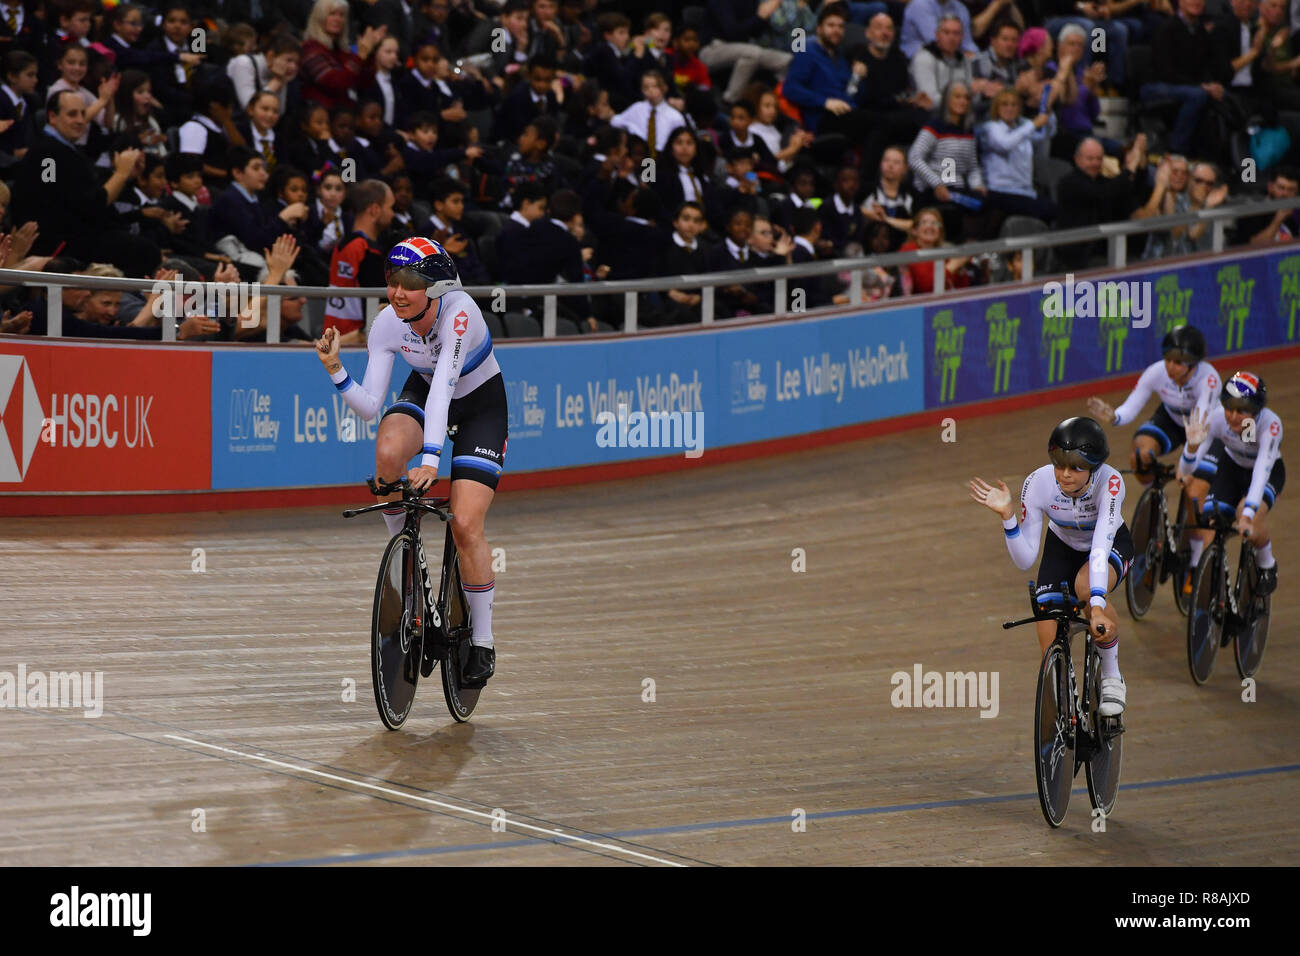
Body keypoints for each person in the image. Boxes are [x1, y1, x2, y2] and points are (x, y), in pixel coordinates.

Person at [315, 236, 506, 686]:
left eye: (410, 282)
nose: (397, 292)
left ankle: (483, 639)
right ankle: (404, 555)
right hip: (426, 394)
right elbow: (369, 405)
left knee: (464, 524)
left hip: (480, 406)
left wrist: (433, 458)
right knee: (386, 452)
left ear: (436, 286)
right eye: (392, 281)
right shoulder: (387, 323)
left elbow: (445, 386)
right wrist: (335, 370)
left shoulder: (460, 312)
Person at [969, 417, 1131, 716]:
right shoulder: (1038, 482)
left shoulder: (1110, 482)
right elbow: (1025, 559)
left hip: (1108, 545)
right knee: (1049, 638)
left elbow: (1098, 549)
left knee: (1085, 589)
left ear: (1093, 467)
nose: (1065, 474)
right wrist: (1008, 517)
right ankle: (1065, 713)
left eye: (1076, 467)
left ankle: (1111, 675)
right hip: (1062, 547)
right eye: (1059, 464)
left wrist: (1095, 606)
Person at [1086, 325, 1219, 585]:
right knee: (1140, 454)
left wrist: (1186, 468)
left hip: (1203, 431)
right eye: (1168, 359)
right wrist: (1114, 417)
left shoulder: (1209, 379)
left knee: (1194, 494)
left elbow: (1197, 437)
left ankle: (1195, 560)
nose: (1171, 367)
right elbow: (1132, 406)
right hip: (1171, 419)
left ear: (1193, 364)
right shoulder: (1156, 372)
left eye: (1179, 362)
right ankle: (1156, 496)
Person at [1181, 372, 1283, 595]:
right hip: (1231, 468)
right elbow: (1186, 471)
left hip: (1265, 472)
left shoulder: (1271, 425)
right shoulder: (1217, 418)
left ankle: (1267, 564)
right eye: (1229, 408)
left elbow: (1260, 473)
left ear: (1256, 411)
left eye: (1242, 410)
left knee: (1250, 519)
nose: (1234, 416)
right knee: (1210, 521)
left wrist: (1247, 514)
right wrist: (1190, 449)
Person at [324, 179, 395, 336]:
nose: (393, 214)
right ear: (375, 210)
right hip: (356, 341)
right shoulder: (367, 250)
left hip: (333, 336)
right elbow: (378, 306)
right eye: (390, 207)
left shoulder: (341, 244)